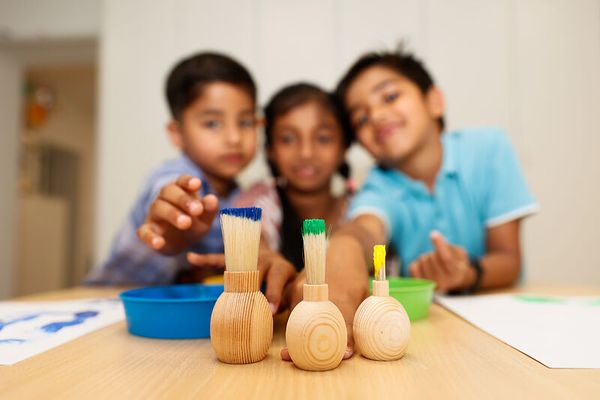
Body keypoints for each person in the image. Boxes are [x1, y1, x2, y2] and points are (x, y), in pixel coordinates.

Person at [287, 47, 538, 359]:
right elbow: (364, 229)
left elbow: (509, 260)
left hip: (510, 330)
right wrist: (343, 252)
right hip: (431, 336)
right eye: (361, 118)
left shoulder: (489, 149)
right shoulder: (378, 186)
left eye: (390, 97)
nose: (376, 116)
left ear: (434, 101)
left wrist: (466, 273)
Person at [86, 52, 259, 285]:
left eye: (245, 122)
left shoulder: (242, 197)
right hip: (109, 300)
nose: (234, 137)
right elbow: (165, 193)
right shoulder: (174, 178)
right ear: (176, 134)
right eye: (212, 123)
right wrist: (174, 215)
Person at [187, 82, 354, 314]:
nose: (306, 153)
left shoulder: (359, 205)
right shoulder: (261, 198)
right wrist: (260, 253)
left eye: (323, 138)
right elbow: (257, 233)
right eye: (287, 139)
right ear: (271, 150)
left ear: (344, 147)